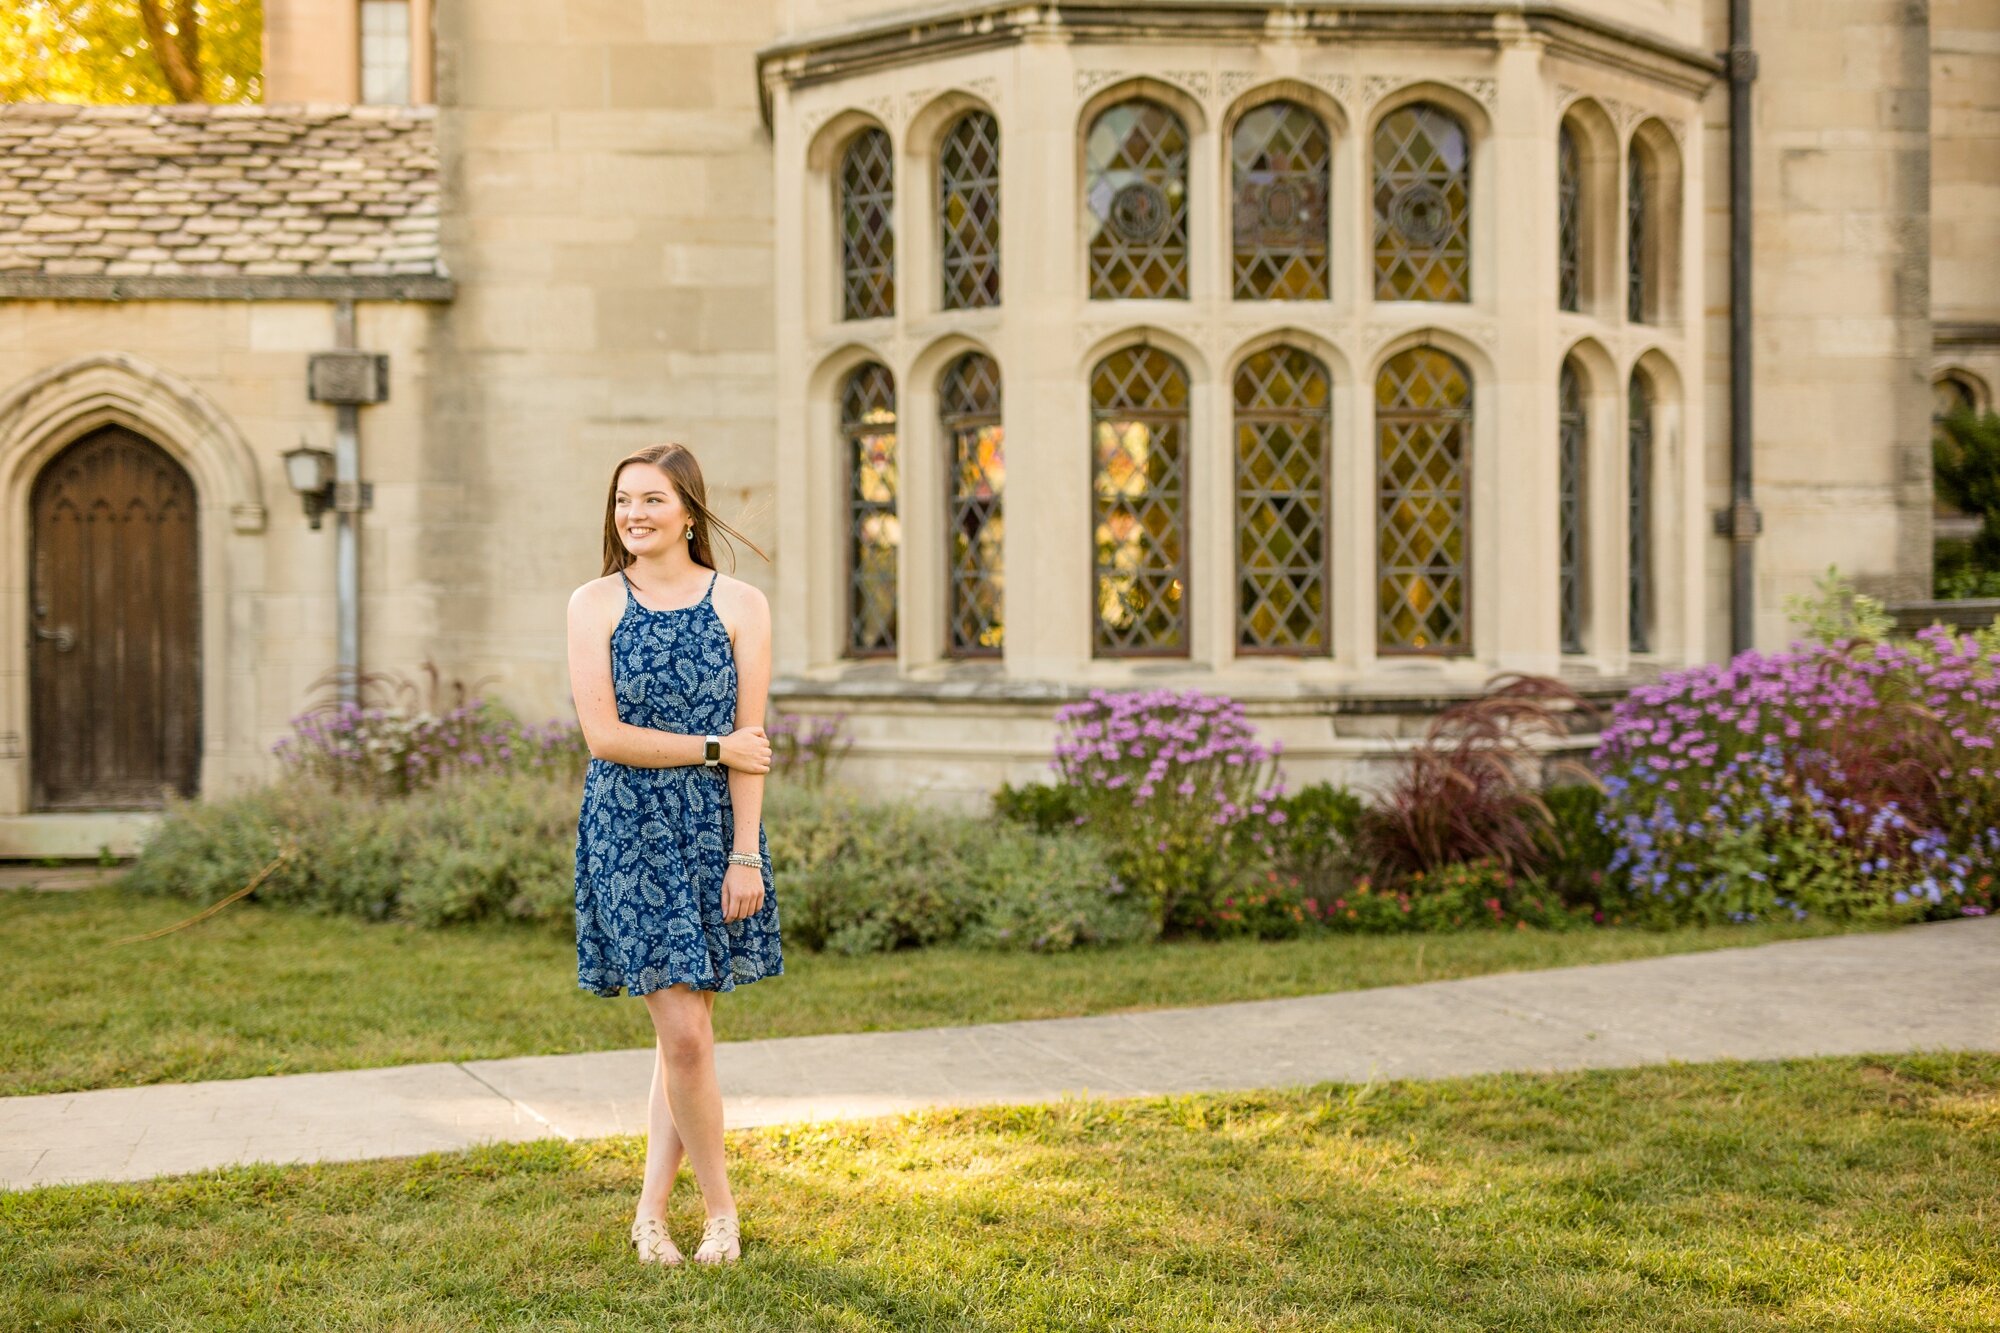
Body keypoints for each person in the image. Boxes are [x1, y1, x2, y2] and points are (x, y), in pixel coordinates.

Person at [567, 442, 783, 1267]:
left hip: (712, 833)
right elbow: (605, 735)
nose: (634, 515)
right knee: (685, 1034)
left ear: (688, 510)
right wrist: (710, 750)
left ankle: (650, 1213)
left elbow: (753, 747)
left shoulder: (741, 603)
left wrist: (746, 856)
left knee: (684, 1039)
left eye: (652, 500)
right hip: (628, 830)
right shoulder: (593, 603)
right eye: (624, 500)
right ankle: (723, 1210)